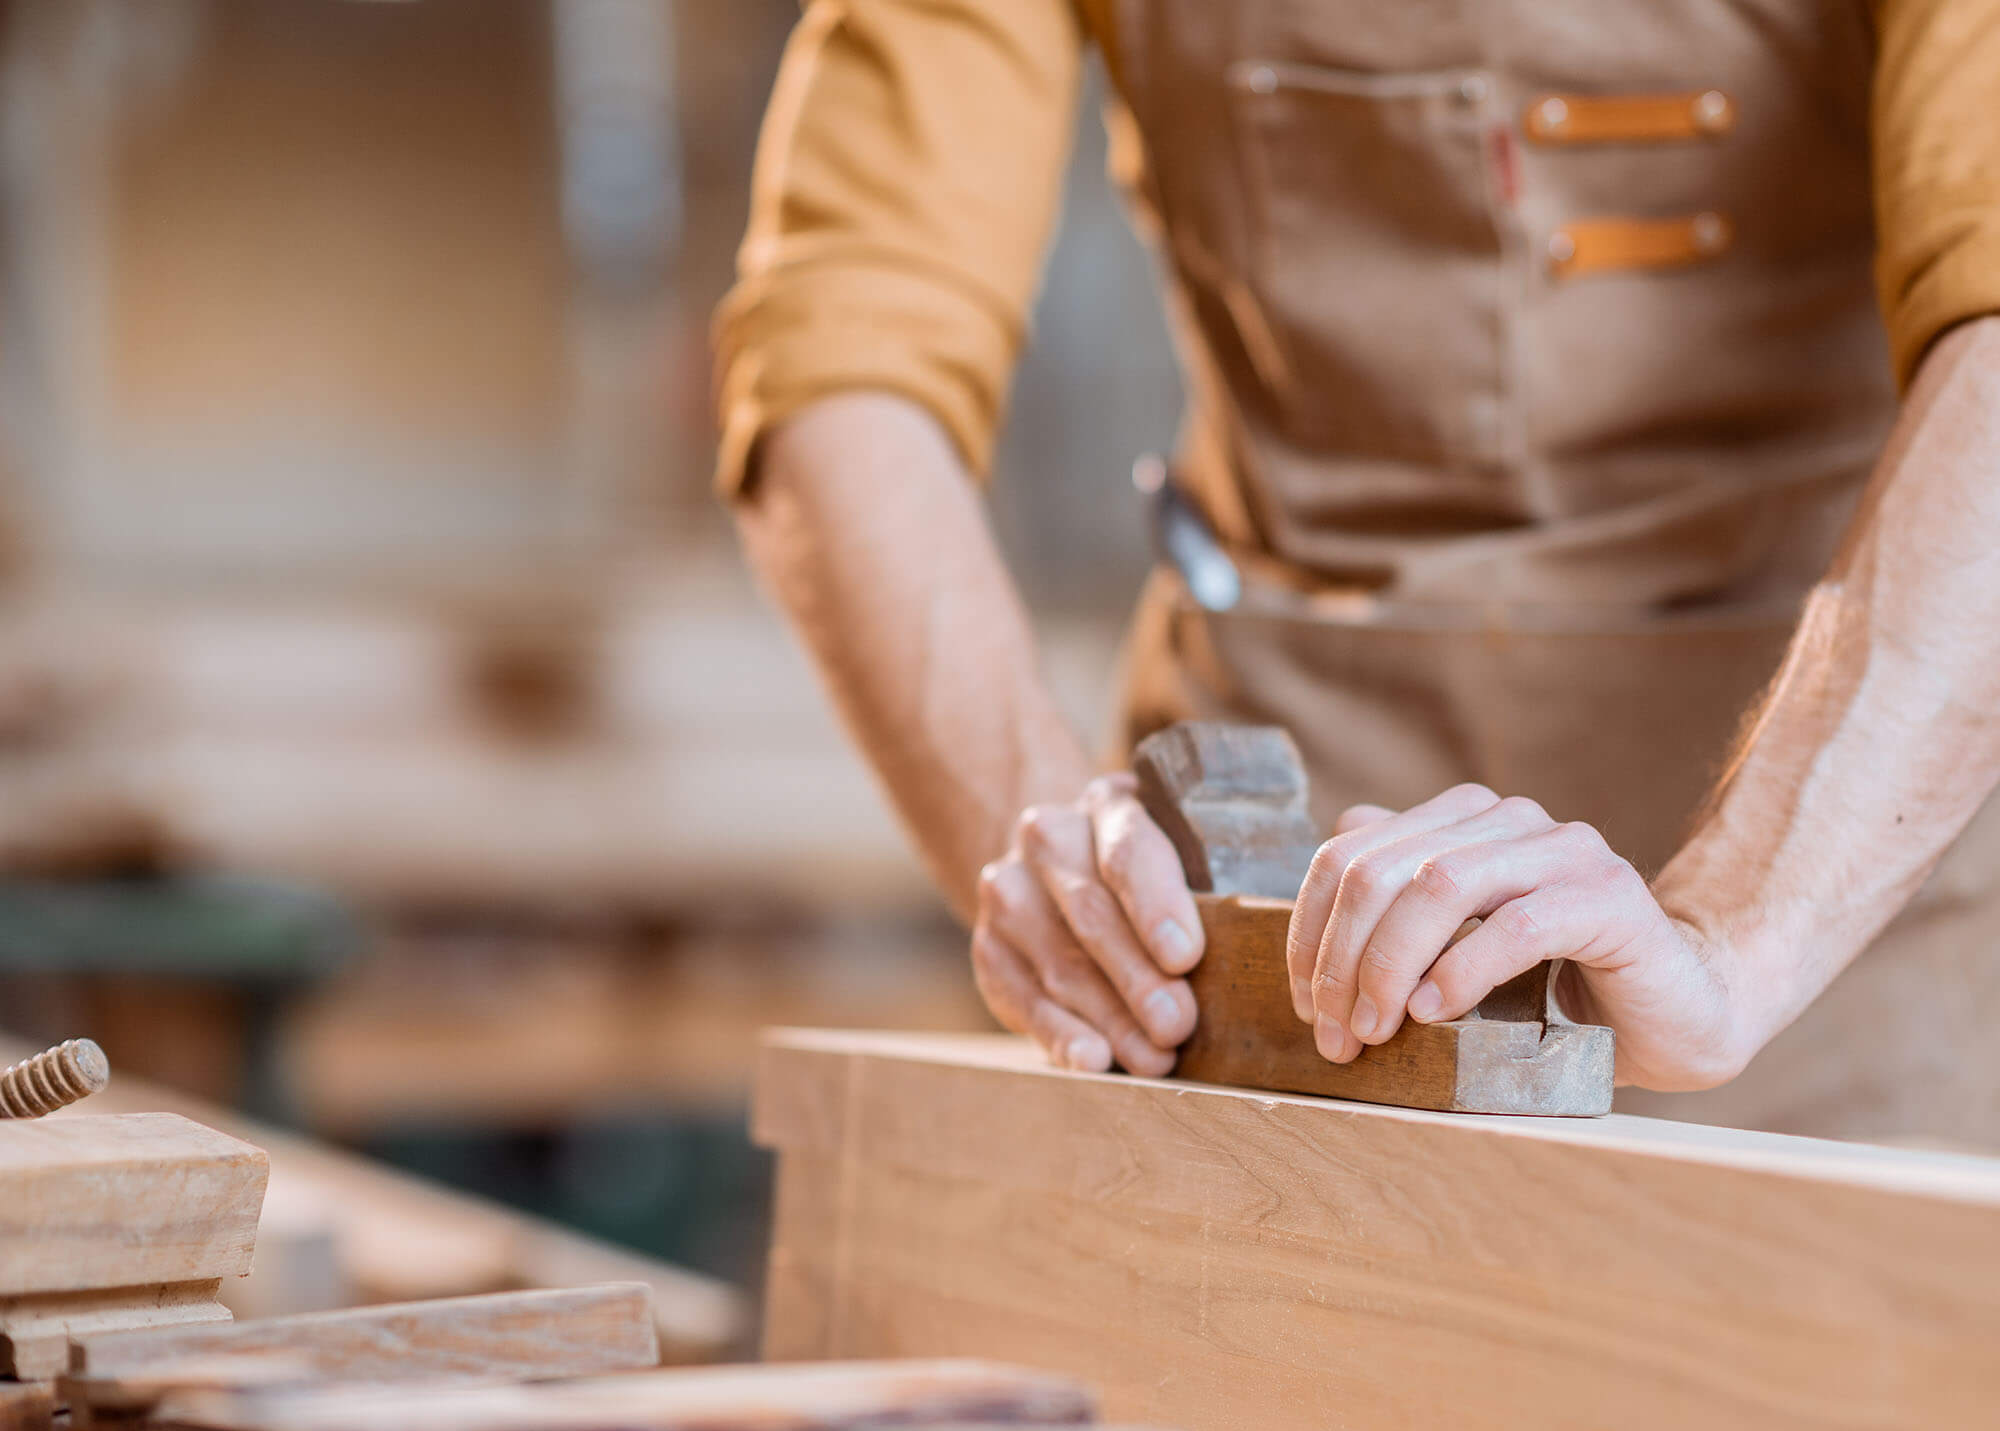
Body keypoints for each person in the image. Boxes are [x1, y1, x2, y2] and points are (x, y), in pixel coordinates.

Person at [715, 0, 2000, 1142]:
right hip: (1250, 937)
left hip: (1836, 887)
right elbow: (842, 340)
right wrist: (1076, 888)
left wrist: (1732, 942)